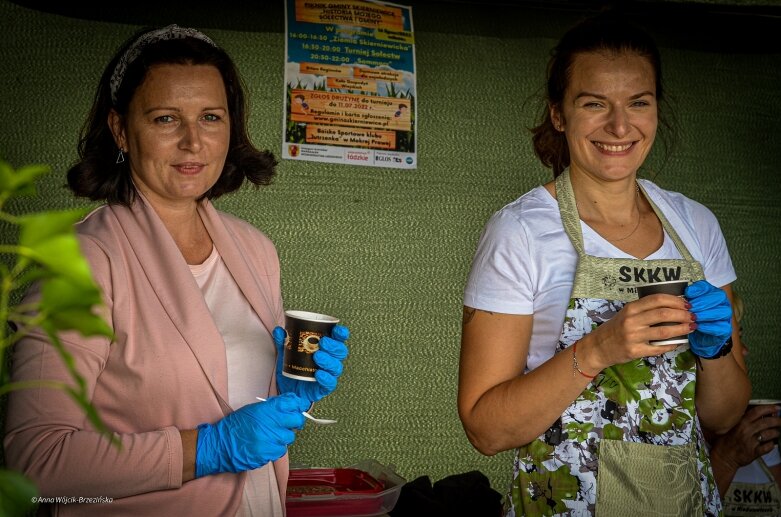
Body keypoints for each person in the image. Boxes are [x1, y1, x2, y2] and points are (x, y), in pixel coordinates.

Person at [3, 24, 349, 516]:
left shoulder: (255, 250)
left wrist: (289, 385)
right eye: (166, 119)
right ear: (121, 129)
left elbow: (227, 384)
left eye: (211, 117)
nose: (193, 142)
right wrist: (207, 450)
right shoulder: (81, 261)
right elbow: (34, 465)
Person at [458, 13, 750, 516]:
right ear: (558, 114)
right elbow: (486, 429)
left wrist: (716, 349)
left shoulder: (696, 225)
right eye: (595, 104)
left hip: (681, 503)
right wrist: (597, 348)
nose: (620, 126)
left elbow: (724, 417)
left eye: (639, 102)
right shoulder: (520, 232)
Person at [708, 292, 781, 516]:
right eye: (728, 342)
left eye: (738, 337)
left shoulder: (754, 427)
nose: (745, 350)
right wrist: (725, 460)